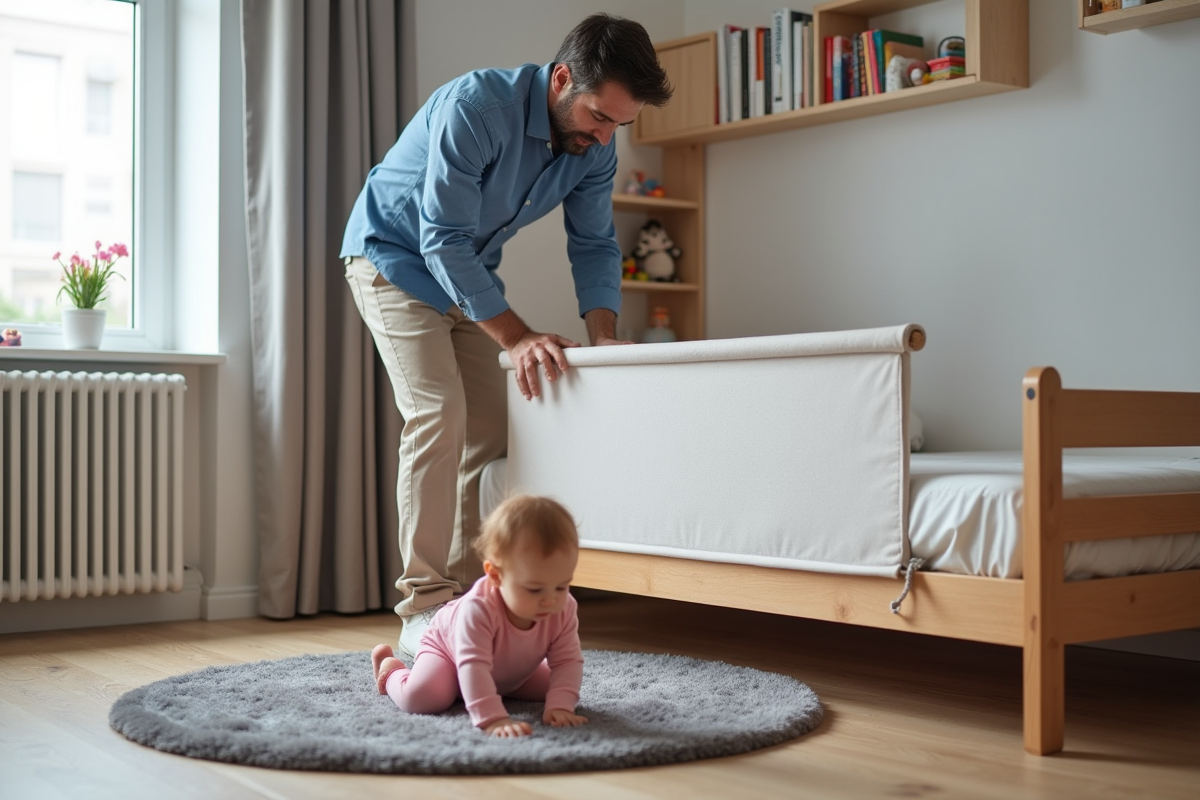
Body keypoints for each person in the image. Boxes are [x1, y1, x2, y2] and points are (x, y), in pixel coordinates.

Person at [340, 13, 672, 661]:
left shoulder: (592, 149)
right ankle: (425, 603)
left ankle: (471, 600)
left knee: (493, 429)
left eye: (620, 126)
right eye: (599, 117)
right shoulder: (478, 108)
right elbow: (440, 236)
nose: (606, 138)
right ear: (561, 79)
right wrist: (516, 336)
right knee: (439, 413)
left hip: (466, 277)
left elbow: (596, 242)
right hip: (393, 259)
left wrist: (603, 338)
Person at [370, 495, 587, 738]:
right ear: (495, 576)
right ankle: (392, 672)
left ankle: (489, 690)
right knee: (423, 698)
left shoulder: (563, 608)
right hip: (450, 657)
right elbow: (472, 665)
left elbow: (567, 661)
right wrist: (493, 718)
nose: (551, 599)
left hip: (508, 672)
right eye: (535, 589)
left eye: (562, 586)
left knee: (559, 687)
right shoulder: (478, 609)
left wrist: (560, 706)